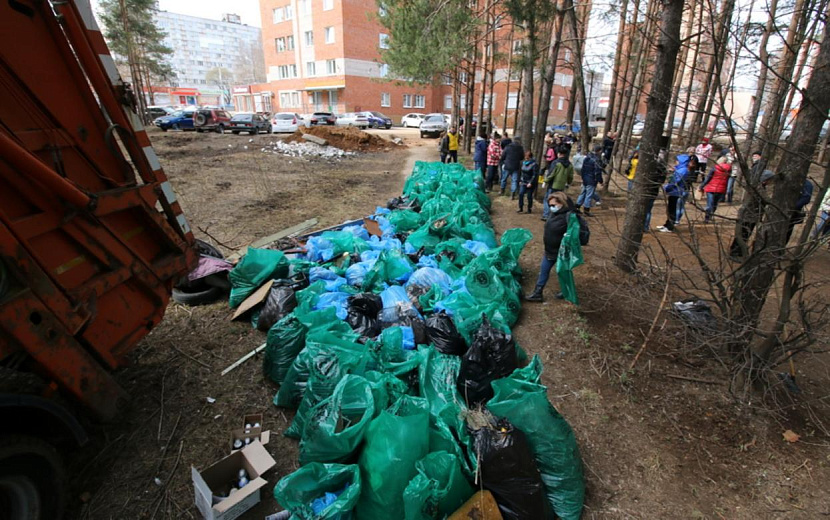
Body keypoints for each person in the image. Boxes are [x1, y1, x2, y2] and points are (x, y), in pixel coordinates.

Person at [525, 191, 579, 302]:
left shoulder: (569, 217)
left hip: (561, 252)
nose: (551, 208)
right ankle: (538, 293)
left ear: (561, 203)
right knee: (544, 270)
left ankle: (566, 291)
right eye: (550, 205)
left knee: (563, 272)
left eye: (553, 205)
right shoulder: (554, 214)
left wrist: (568, 237)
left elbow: (576, 234)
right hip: (549, 250)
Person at [656, 154, 693, 233]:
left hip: (677, 192)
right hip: (673, 192)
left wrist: (667, 188)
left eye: (677, 160)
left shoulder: (682, 170)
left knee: (672, 210)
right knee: (670, 209)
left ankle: (670, 227)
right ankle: (667, 224)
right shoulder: (680, 169)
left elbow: (675, 181)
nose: (676, 162)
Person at [542, 149, 574, 220]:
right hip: (562, 186)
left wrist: (545, 181)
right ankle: (555, 215)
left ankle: (546, 215)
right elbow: (570, 176)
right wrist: (568, 182)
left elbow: (551, 174)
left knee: (548, 199)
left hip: (553, 185)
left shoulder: (556, 163)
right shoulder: (569, 164)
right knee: (558, 200)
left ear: (559, 154)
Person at [698, 155, 731, 222]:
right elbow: (728, 180)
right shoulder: (729, 169)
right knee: (715, 204)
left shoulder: (715, 168)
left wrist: (701, 186)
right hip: (721, 189)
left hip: (711, 188)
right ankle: (711, 215)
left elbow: (708, 178)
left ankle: (707, 218)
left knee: (709, 204)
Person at [575, 145, 603, 217]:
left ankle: (577, 207)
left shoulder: (587, 158)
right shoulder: (596, 160)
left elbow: (582, 169)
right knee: (589, 195)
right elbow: (597, 172)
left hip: (585, 179)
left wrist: (583, 177)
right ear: (599, 151)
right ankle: (586, 210)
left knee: (583, 193)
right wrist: (600, 180)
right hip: (591, 180)